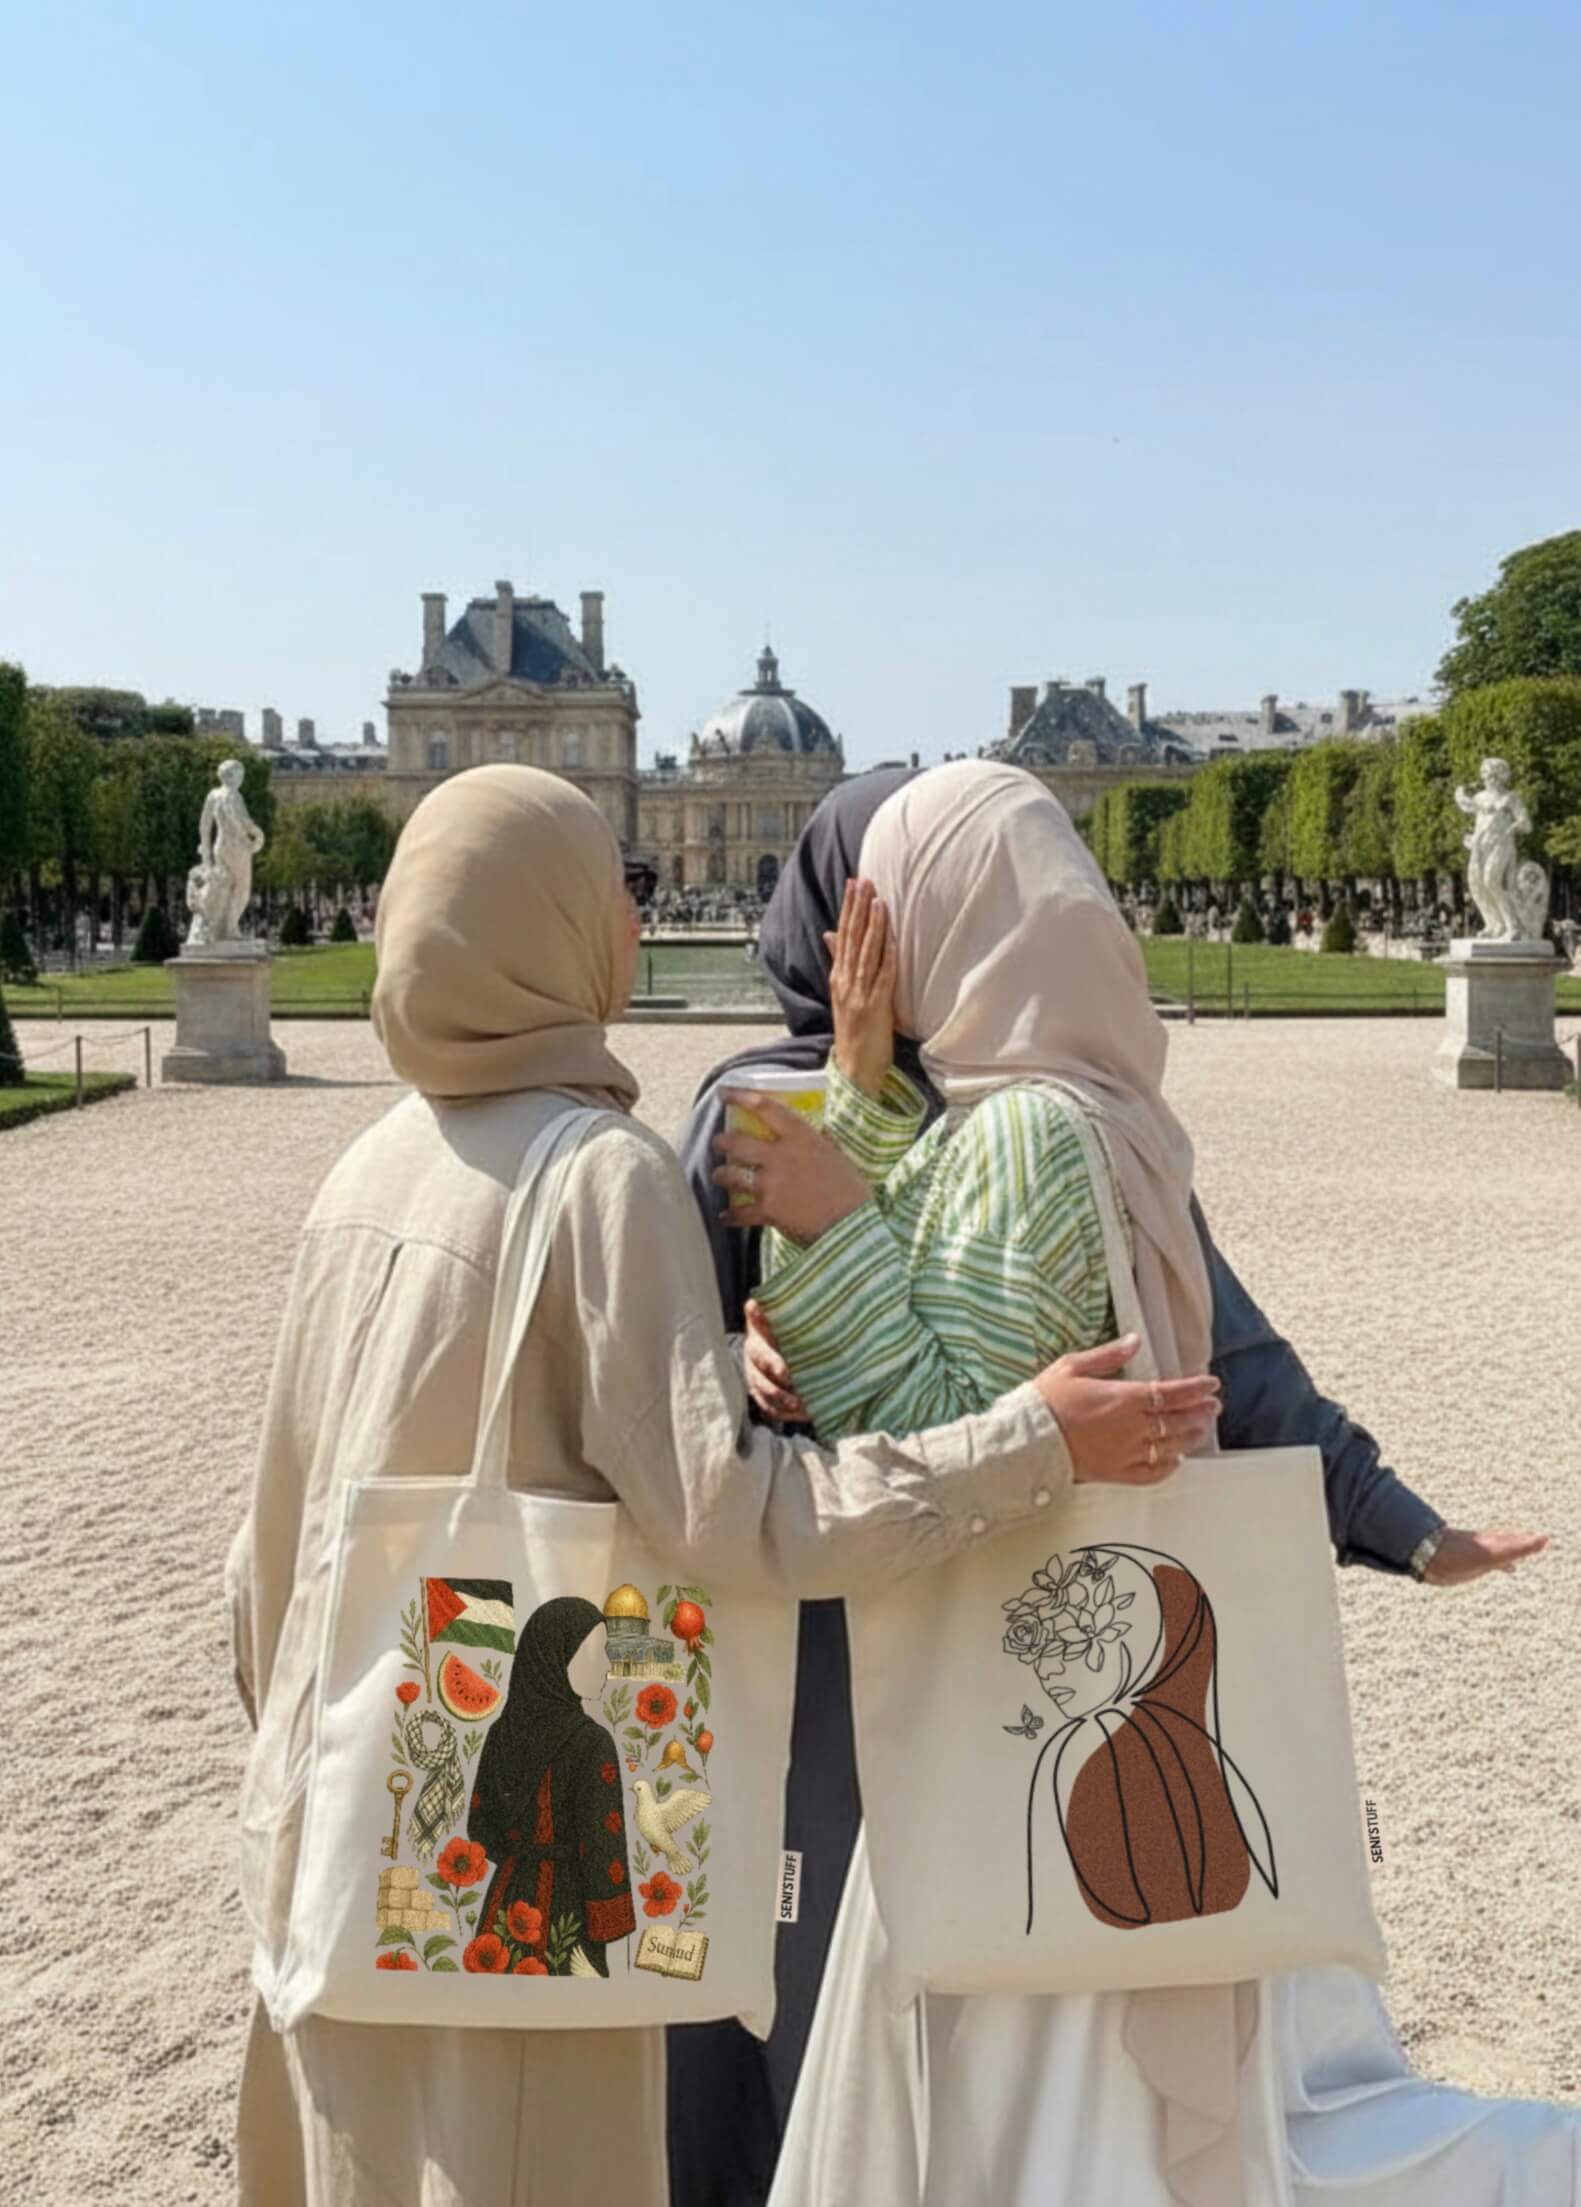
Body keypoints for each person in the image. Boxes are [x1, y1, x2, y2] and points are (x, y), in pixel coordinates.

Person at [226, 764, 1215, 2207]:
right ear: (563, 930)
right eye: (605, 893)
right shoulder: (600, 1174)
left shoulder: (367, 1169)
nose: (631, 922)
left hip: (334, 1820)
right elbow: (742, 1520)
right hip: (512, 1855)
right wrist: (1033, 1441)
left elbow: (260, 1564)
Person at [669, 767, 1544, 2207]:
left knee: (889, 2003)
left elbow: (1214, 1357)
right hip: (884, 1611)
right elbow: (678, 1345)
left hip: (919, 1620)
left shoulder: (1007, 1118)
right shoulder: (971, 1108)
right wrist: (741, 1344)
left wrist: (1396, 1516)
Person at [468, 1596, 633, 1978]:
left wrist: (522, 1858)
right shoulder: (592, 1742)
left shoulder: (500, 1733)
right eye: (594, 1653)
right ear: (556, 1657)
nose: (607, 1666)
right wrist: (608, 1923)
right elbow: (601, 1843)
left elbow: (480, 1827)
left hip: (506, 1902)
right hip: (570, 1909)